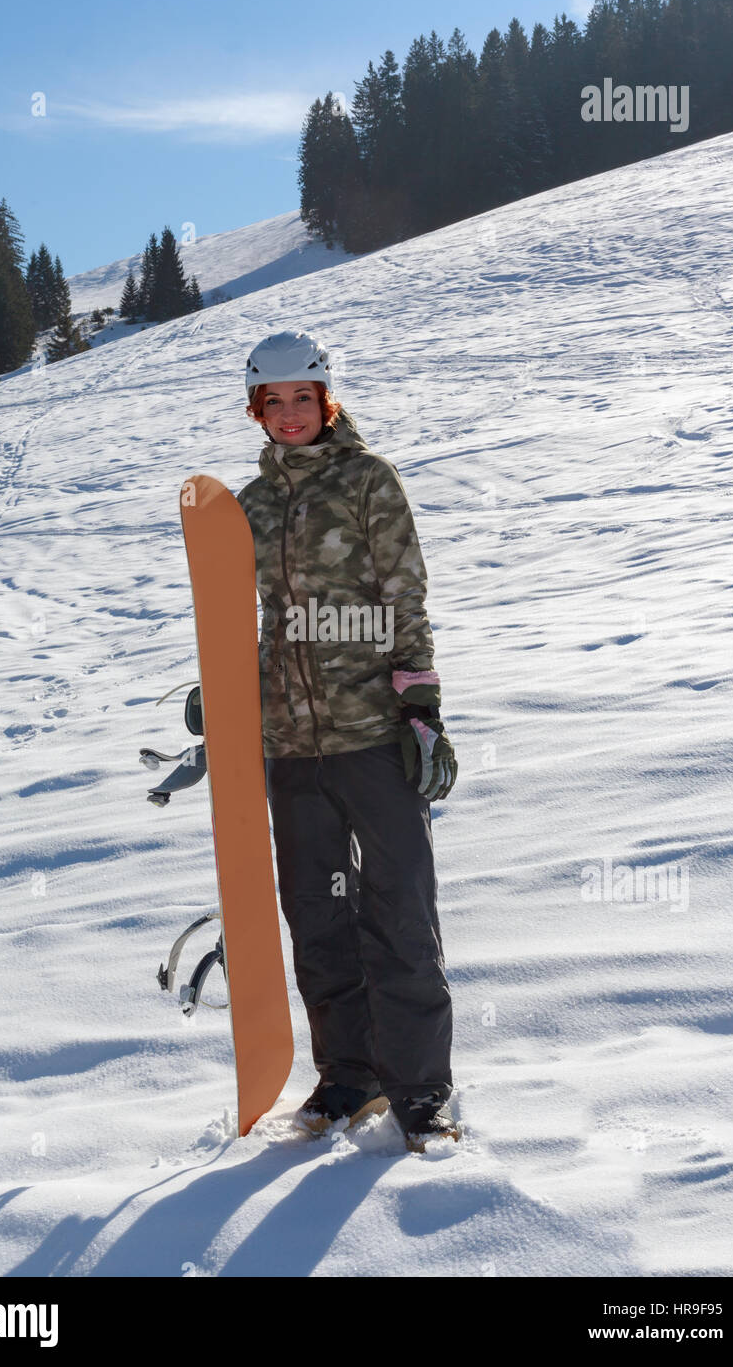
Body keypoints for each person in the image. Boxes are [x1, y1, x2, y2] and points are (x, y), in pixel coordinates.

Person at [236, 329, 459, 1151]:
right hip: (290, 746)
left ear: (327, 401)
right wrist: (225, 696)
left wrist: (421, 706)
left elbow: (405, 595)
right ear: (255, 409)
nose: (290, 414)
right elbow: (252, 623)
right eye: (274, 401)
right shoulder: (248, 508)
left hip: (371, 734)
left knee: (398, 911)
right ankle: (349, 1080)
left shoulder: (369, 480)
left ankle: (423, 1095)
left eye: (304, 398)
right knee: (319, 919)